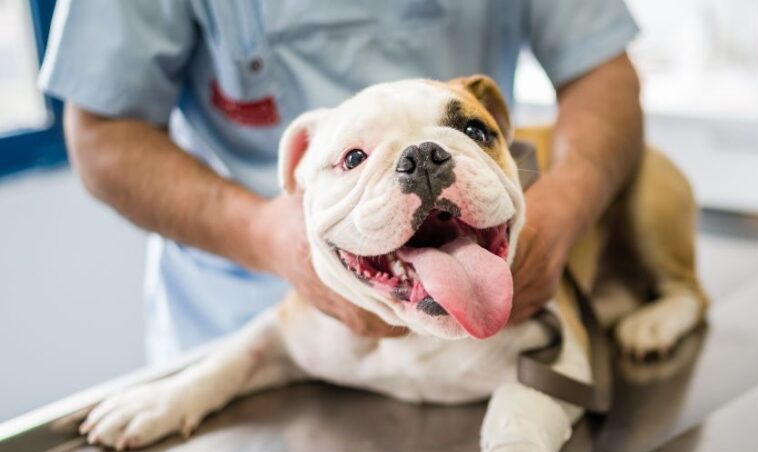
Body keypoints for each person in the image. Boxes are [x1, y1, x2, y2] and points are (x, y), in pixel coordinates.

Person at [39, 0, 644, 363]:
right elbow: (100, 131)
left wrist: (563, 205)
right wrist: (264, 234)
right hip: (241, 320)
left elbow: (600, 70)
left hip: (485, 311)